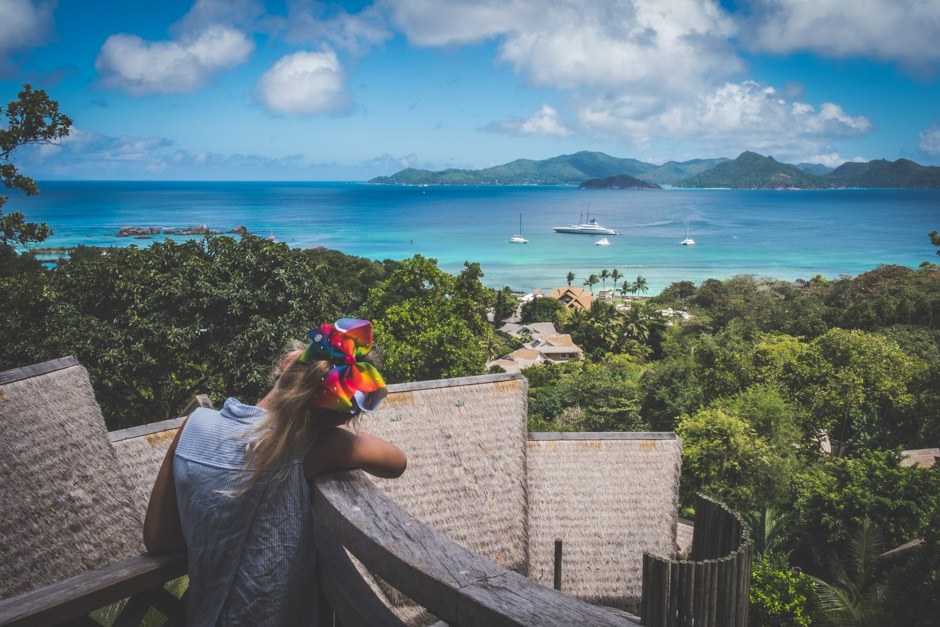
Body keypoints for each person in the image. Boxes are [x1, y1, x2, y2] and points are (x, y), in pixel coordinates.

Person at [143, 318, 407, 626]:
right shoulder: (315, 449)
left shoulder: (194, 425)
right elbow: (396, 461)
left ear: (287, 363)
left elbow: (158, 540)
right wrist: (332, 434)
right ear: (340, 420)